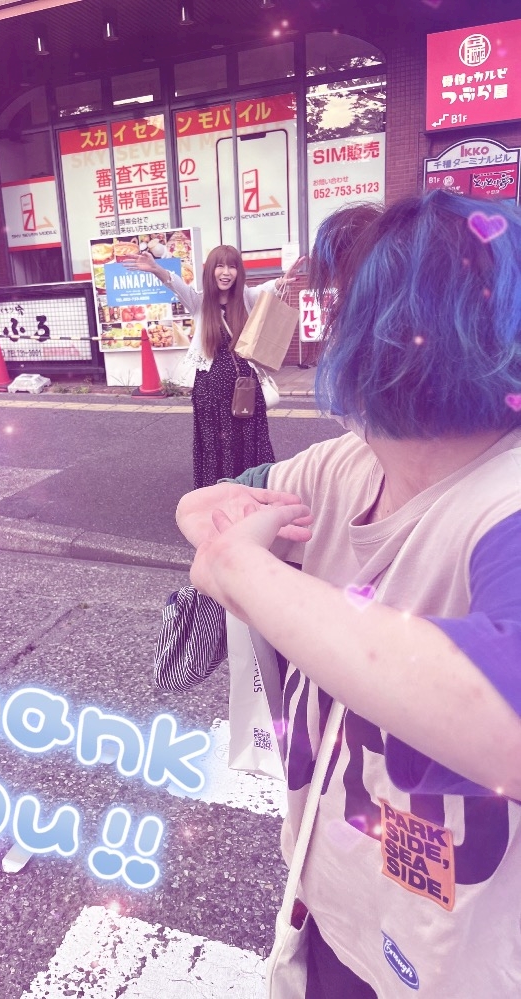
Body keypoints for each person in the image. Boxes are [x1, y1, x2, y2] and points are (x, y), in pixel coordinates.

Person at [175, 191, 521, 998]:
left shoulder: (504, 500)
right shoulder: (349, 463)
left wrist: (242, 570)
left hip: (461, 967)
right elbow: (222, 495)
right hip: (333, 908)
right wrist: (214, 518)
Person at [124, 245, 299, 489]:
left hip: (246, 387)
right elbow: (176, 285)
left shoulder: (246, 297)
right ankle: (217, 490)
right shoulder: (200, 301)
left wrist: (281, 281)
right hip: (210, 392)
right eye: (220, 266)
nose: (226, 272)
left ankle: (251, 489)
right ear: (211, 271)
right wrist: (156, 269)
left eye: (232, 267)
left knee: (249, 438)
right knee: (216, 441)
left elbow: (267, 290)